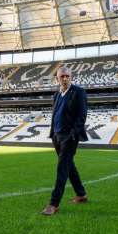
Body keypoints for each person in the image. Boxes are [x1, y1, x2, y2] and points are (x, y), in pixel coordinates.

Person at [41, 66, 89, 216]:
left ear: (71, 77)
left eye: (67, 76)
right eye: (62, 76)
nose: (65, 78)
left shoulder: (78, 92)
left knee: (62, 169)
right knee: (69, 167)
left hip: (69, 137)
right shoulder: (56, 95)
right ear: (57, 78)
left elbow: (81, 116)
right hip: (56, 136)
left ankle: (53, 204)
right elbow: (55, 114)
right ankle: (81, 194)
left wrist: (72, 135)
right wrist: (53, 134)